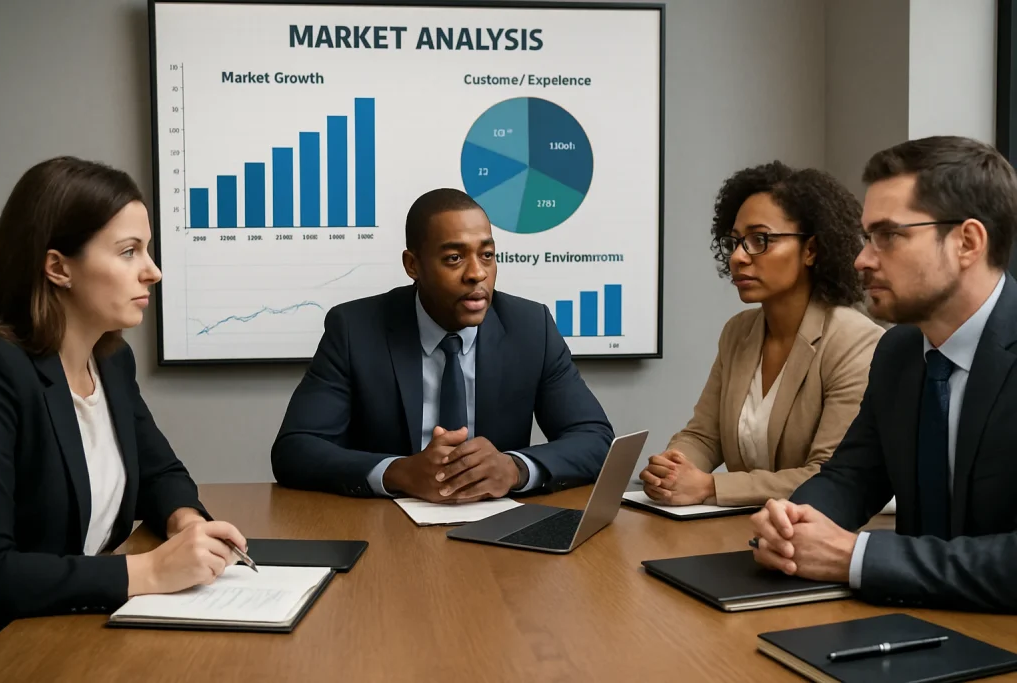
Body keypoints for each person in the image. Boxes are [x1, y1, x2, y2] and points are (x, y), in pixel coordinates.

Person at [751, 135, 1017, 613]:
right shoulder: (898, 351)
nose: (862, 260)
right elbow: (852, 476)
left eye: (888, 236)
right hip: (913, 628)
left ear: (968, 242)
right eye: (866, 237)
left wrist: (858, 557)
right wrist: (792, 523)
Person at [0, 157, 249, 633]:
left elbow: (159, 473)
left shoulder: (110, 360)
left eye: (147, 250)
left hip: (75, 630)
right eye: (129, 251)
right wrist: (150, 571)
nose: (152, 271)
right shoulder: (1, 372)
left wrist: (186, 522)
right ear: (57, 267)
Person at [272, 188, 614, 502]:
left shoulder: (530, 327)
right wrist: (399, 472)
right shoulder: (355, 329)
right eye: (454, 258)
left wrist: (515, 468)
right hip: (386, 529)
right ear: (413, 265)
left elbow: (594, 438)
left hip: (496, 529)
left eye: (487, 255)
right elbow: (295, 450)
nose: (476, 274)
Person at [640, 162, 884, 507]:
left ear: (811, 250)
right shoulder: (738, 331)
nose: (739, 257)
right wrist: (673, 467)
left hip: (812, 538)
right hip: (739, 529)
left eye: (760, 240)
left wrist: (710, 487)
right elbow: (704, 436)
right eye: (736, 241)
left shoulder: (854, 341)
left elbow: (831, 474)